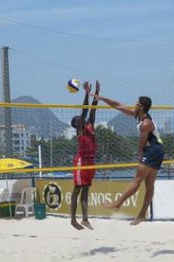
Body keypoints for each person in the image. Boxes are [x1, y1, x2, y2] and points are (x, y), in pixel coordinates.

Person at [91, 93, 164, 225]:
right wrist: (102, 98)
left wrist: (140, 156)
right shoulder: (138, 115)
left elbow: (141, 144)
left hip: (153, 150)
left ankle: (117, 203)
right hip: (157, 150)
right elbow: (118, 105)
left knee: (137, 179)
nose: (134, 104)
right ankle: (141, 215)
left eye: (137, 103)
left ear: (141, 107)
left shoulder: (146, 123)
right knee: (149, 185)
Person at [70, 81, 100, 230]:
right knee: (77, 189)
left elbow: (92, 110)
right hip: (81, 161)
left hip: (91, 162)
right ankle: (73, 220)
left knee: (86, 190)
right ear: (76, 125)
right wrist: (86, 93)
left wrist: (96, 92)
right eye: (77, 119)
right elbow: (84, 111)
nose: (79, 118)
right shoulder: (80, 130)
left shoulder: (90, 126)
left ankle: (85, 219)